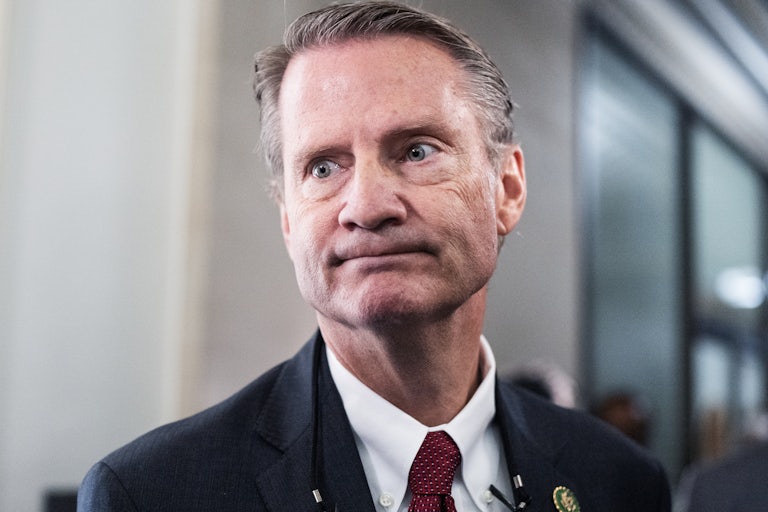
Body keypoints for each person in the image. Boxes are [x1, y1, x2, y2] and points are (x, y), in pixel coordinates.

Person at [77, 2, 671, 511]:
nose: (366, 205)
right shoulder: (152, 495)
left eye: (416, 150)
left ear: (507, 190)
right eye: (323, 167)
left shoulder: (619, 483)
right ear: (288, 218)